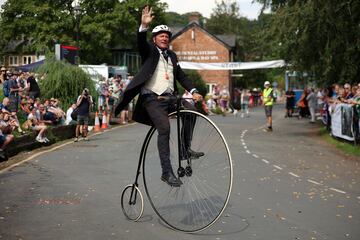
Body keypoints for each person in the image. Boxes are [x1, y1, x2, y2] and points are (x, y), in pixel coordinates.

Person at [114, 6, 203, 187]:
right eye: (161, 35)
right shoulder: (150, 51)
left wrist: (193, 91)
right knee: (164, 128)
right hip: (152, 99)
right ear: (154, 39)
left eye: (167, 36)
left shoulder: (172, 56)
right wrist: (143, 26)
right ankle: (166, 172)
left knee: (191, 110)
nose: (165, 38)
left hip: (170, 98)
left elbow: (181, 76)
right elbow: (141, 42)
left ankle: (185, 149)